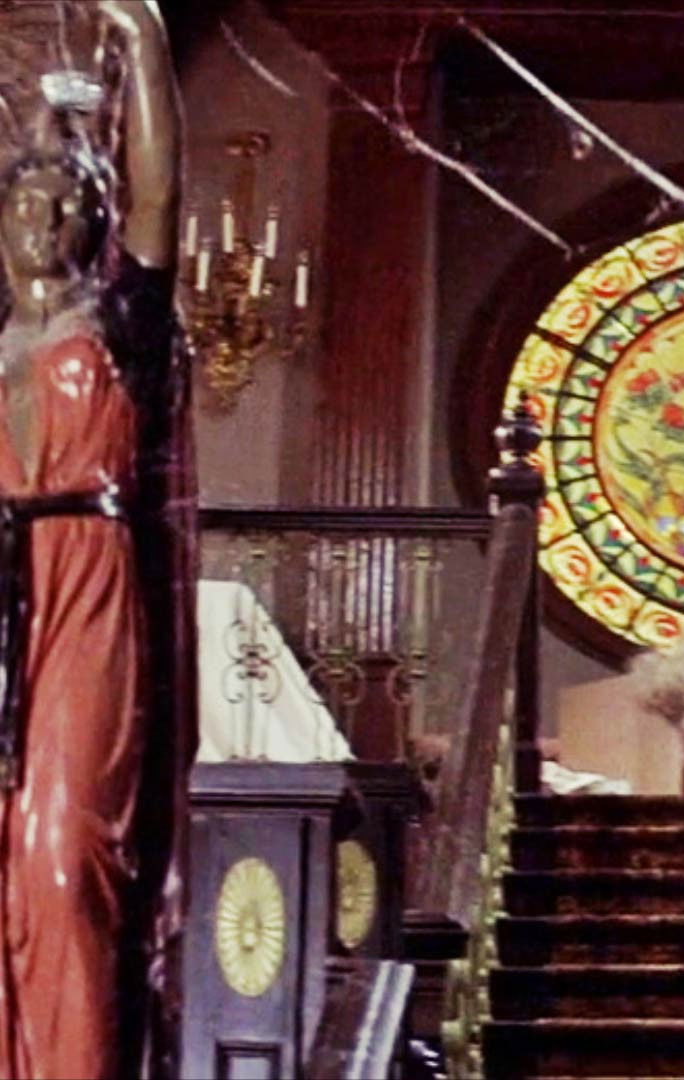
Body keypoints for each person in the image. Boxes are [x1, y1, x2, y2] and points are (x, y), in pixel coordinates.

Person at [0, 3, 182, 1076]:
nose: (50, 213)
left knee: (64, 861)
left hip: (87, 592)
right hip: (2, 589)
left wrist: (143, 36)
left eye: (73, 199)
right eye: (29, 195)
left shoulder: (119, 327)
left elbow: (158, 195)